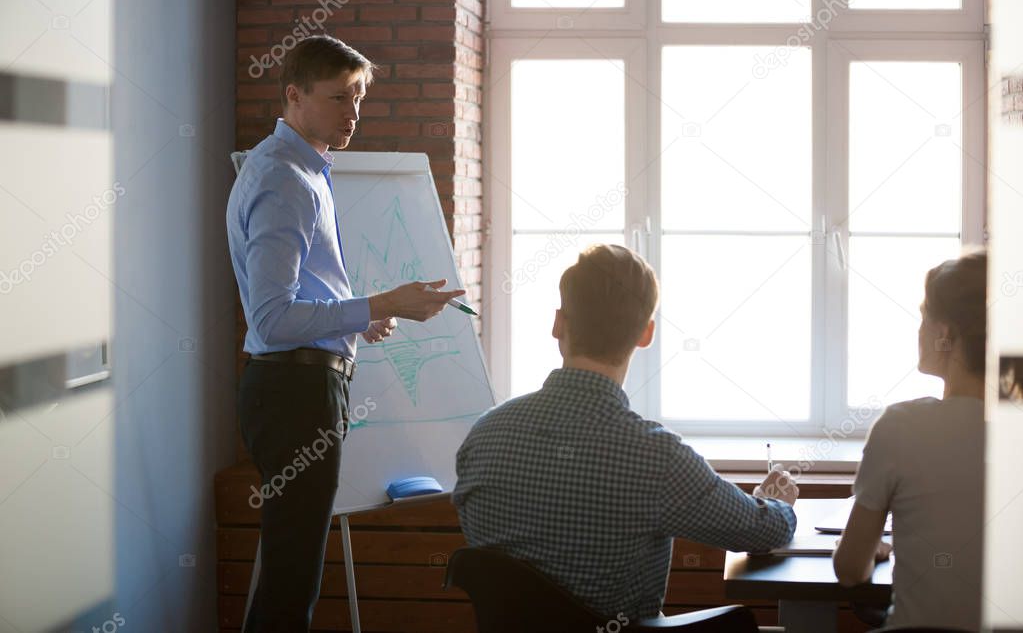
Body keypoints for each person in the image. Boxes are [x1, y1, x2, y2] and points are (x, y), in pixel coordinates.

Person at [226, 35, 465, 632]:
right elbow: (273, 318)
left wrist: (363, 316)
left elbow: (299, 297)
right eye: (338, 98)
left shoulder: (302, 168)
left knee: (292, 567)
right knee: (292, 573)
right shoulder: (285, 179)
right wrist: (382, 302)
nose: (353, 113)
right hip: (294, 393)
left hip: (297, 387)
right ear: (294, 95)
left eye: (358, 96)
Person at [453, 244, 798, 621]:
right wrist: (775, 503)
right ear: (646, 334)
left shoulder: (484, 435)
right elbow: (761, 532)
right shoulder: (656, 456)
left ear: (558, 323)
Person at [833, 250, 1019, 631]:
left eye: (923, 317)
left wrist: (875, 552)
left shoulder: (900, 425)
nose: (919, 331)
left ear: (944, 333)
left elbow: (850, 569)